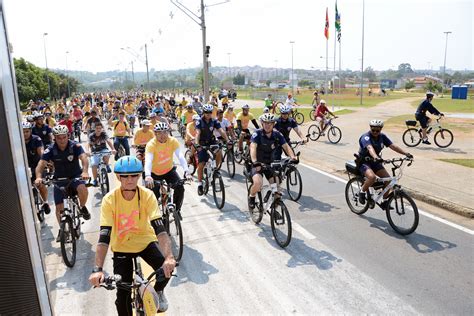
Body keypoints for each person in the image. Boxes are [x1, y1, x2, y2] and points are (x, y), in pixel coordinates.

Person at [88, 156, 176, 315]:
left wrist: (169, 257)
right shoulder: (109, 200)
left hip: (145, 241)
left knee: (167, 269)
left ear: (139, 175)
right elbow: (104, 236)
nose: (130, 180)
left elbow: (160, 229)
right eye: (125, 176)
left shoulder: (147, 195)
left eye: (134, 175)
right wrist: (97, 269)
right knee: (122, 297)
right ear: (118, 177)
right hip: (122, 247)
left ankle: (156, 293)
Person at [35, 125, 91, 242]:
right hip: (59, 179)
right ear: (54, 138)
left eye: (64, 137)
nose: (62, 140)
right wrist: (39, 177)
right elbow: (40, 165)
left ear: (68, 136)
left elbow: (84, 158)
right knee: (59, 208)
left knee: (82, 188)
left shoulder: (75, 146)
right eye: (58, 138)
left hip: (75, 176)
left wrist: (85, 171)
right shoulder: (50, 149)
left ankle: (82, 207)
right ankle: (63, 229)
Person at [357, 120, 413, 210]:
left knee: (389, 181)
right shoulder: (366, 137)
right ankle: (362, 191)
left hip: (376, 162)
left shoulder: (382, 136)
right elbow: (369, 148)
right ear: (370, 128)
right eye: (373, 130)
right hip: (364, 162)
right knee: (372, 177)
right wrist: (376, 157)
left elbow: (392, 146)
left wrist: (406, 153)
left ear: (381, 129)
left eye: (377, 130)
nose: (375, 132)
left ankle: (384, 201)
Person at [248, 113, 297, 209]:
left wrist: (293, 157)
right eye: (265, 123)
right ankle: (252, 196)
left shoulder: (277, 134)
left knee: (277, 189)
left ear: (273, 124)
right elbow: (253, 147)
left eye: (270, 123)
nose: (267, 125)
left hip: (270, 165)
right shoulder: (257, 133)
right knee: (258, 183)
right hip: (258, 164)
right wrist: (255, 161)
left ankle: (274, 210)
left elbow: (286, 146)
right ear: (262, 123)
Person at [144, 122, 190, 218]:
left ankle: (177, 210)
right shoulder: (151, 144)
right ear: (155, 133)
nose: (162, 135)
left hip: (169, 171)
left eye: (165, 132)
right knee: (152, 198)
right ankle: (154, 218)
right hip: (154, 174)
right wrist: (148, 175)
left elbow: (181, 156)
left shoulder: (172, 141)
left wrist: (186, 171)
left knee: (180, 187)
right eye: (159, 133)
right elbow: (148, 160)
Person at [194, 104, 230, 196]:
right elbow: (197, 133)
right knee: (201, 164)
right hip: (202, 143)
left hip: (211, 141)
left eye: (210, 112)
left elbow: (221, 130)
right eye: (206, 112)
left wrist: (227, 140)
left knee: (219, 151)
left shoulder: (214, 121)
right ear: (203, 112)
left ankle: (216, 169)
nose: (208, 114)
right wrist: (197, 144)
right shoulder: (199, 121)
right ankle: (200, 184)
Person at [23, 121, 50, 215]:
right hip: (24, 167)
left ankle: (45, 202)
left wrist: (45, 162)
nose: (25, 133)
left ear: (30, 131)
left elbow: (41, 152)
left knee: (40, 184)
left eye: (27, 131)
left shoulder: (36, 139)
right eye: (23, 131)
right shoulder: (17, 141)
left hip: (37, 166)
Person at [87, 122, 116, 186]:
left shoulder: (104, 134)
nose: (98, 130)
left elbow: (108, 141)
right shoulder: (91, 135)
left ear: (101, 128)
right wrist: (88, 151)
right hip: (94, 151)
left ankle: (107, 165)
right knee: (94, 164)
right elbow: (88, 144)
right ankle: (95, 180)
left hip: (103, 149)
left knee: (107, 153)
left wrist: (113, 149)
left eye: (100, 128)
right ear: (94, 129)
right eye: (97, 128)